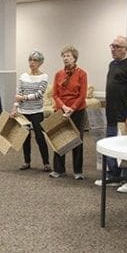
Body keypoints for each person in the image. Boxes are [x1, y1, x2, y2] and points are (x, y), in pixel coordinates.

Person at [94, 36, 127, 193]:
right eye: (112, 46)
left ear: (125, 49)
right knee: (110, 146)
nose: (112, 49)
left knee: (126, 149)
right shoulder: (112, 64)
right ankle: (114, 176)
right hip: (111, 114)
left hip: (124, 114)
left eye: (116, 46)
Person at [49, 46, 87, 179]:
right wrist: (64, 107)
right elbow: (55, 94)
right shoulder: (58, 74)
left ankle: (78, 171)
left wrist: (72, 109)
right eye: (64, 56)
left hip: (77, 111)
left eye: (68, 56)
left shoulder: (82, 74)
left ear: (74, 58)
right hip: (61, 110)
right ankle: (59, 170)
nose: (66, 58)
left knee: (77, 140)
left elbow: (82, 95)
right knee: (59, 139)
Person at [11, 51, 50, 172]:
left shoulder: (44, 77)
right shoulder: (23, 76)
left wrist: (24, 98)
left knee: (39, 137)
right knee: (25, 137)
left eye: (35, 60)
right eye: (30, 60)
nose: (32, 63)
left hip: (37, 111)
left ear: (40, 63)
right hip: (24, 111)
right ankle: (26, 161)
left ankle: (46, 163)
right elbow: (19, 93)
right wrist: (15, 107)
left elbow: (39, 94)